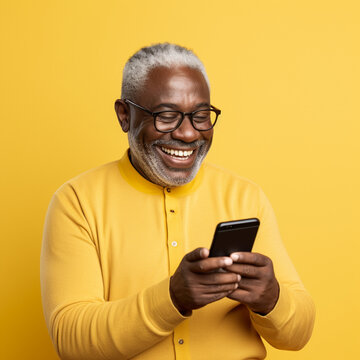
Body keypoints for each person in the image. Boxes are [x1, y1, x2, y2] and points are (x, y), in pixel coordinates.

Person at [41, 43, 315, 360]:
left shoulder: (245, 196)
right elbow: (71, 342)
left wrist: (272, 299)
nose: (187, 133)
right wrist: (173, 298)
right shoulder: (76, 202)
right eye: (167, 115)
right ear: (124, 115)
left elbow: (299, 334)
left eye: (200, 116)